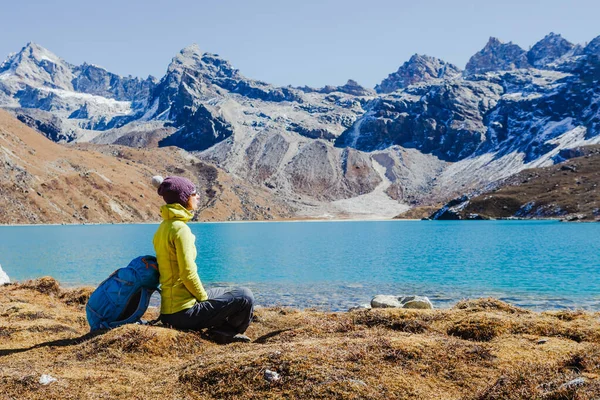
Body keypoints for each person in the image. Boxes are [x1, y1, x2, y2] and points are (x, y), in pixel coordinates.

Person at [151, 175, 254, 343]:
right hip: (182, 314)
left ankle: (220, 329)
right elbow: (187, 273)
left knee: (227, 291)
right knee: (245, 296)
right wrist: (205, 301)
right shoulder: (180, 230)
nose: (197, 196)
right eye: (193, 193)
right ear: (183, 199)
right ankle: (225, 333)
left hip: (169, 311)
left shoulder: (163, 228)